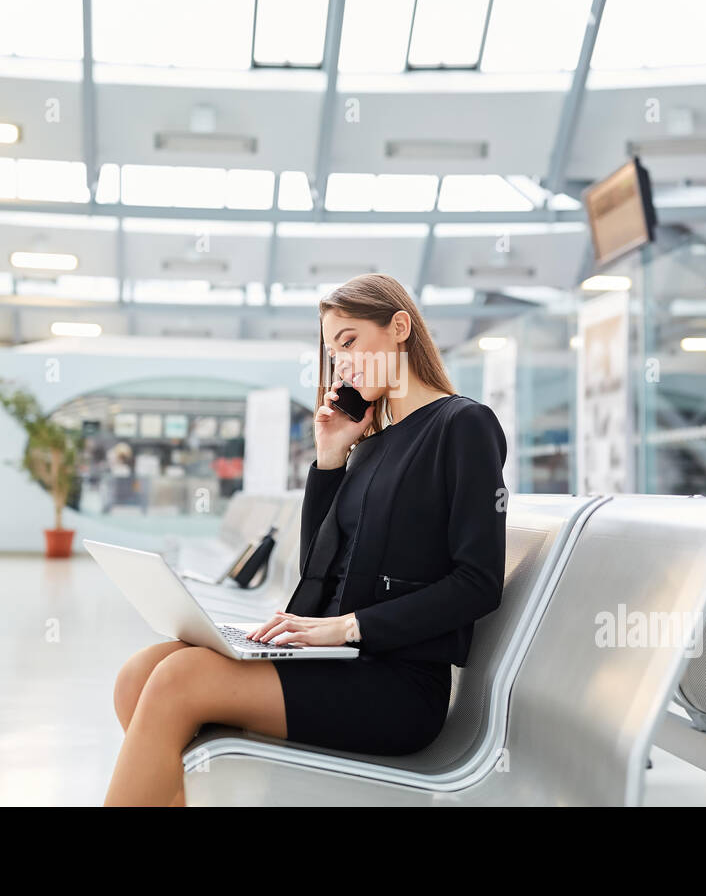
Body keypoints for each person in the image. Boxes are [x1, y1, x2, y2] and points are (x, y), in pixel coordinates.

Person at [105, 272, 508, 806]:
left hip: (398, 684)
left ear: (399, 328)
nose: (340, 364)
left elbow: (478, 583)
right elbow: (317, 569)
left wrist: (347, 628)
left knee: (179, 679)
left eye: (349, 342)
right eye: (332, 353)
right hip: (337, 663)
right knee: (138, 674)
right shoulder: (370, 444)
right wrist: (330, 457)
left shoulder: (462, 425)